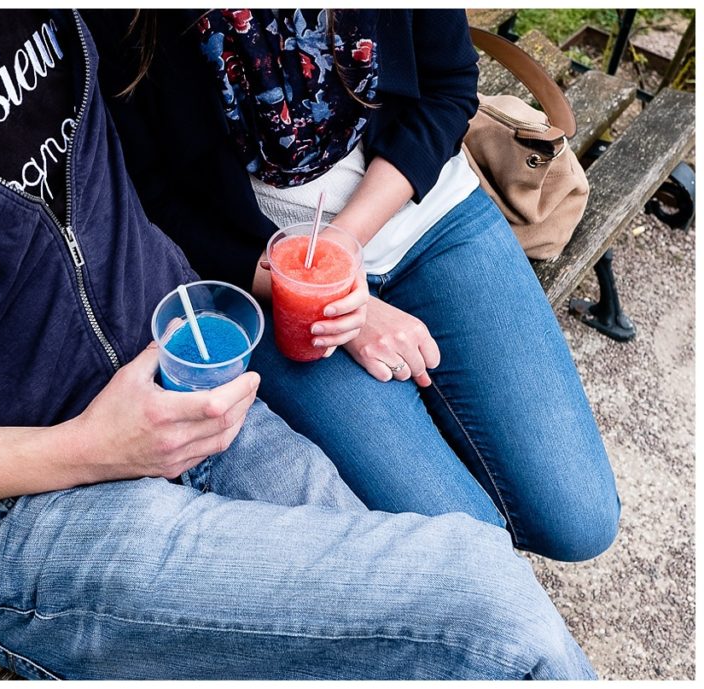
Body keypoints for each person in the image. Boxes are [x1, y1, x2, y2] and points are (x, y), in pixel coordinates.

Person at [0, 8, 596, 680]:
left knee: (432, 632)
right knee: (479, 599)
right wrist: (83, 449)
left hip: (203, 397)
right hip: (35, 516)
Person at [86, 8, 621, 563]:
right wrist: (324, 293)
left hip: (426, 212)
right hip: (259, 263)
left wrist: (338, 251)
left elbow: (449, 86)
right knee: (472, 552)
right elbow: (156, 194)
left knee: (580, 523)